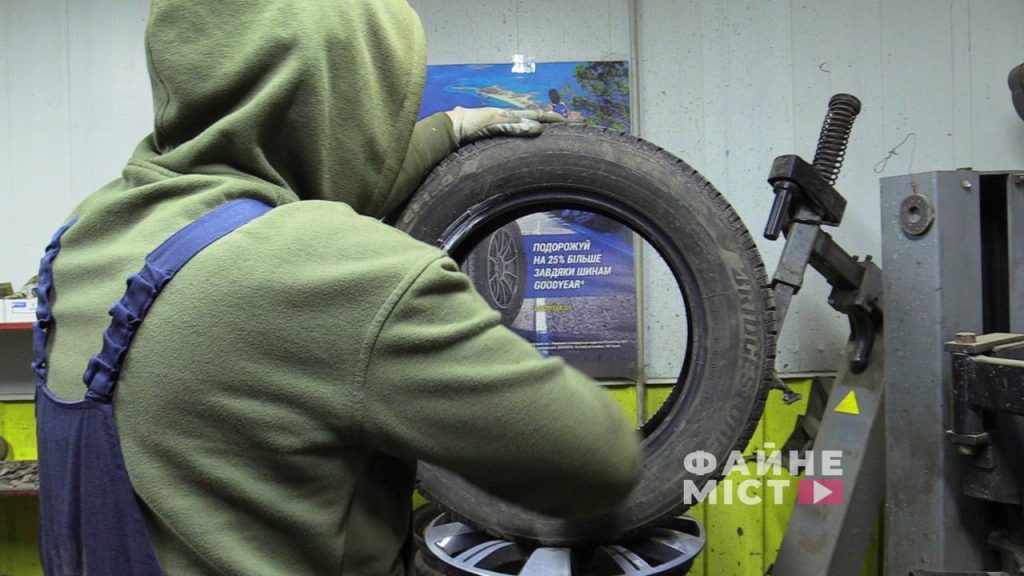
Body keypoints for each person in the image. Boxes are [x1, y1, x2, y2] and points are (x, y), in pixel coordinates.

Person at [34, 1, 641, 574]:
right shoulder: (348, 275)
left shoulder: (86, 234)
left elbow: (289, 179)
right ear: (350, 95)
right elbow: (597, 461)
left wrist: (448, 130)